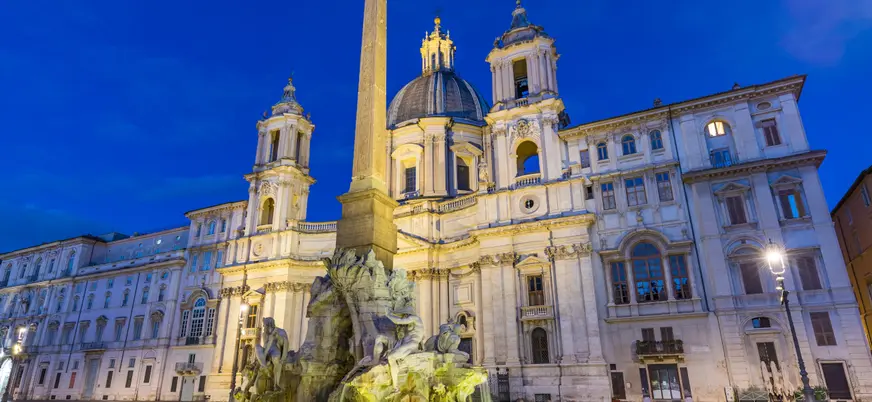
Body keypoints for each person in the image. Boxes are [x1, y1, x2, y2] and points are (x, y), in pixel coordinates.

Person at [385, 306, 424, 388]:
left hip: (411, 344)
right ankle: (396, 385)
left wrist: (388, 314)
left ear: (407, 313)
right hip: (410, 345)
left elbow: (399, 321)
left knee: (391, 357)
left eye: (403, 315)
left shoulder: (415, 318)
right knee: (390, 356)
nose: (403, 316)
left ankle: (395, 386)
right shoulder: (412, 323)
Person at [256, 317, 290, 391]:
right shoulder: (265, 333)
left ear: (269, 324)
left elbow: (284, 343)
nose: (263, 326)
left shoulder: (280, 331)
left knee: (277, 361)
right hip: (267, 350)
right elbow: (266, 345)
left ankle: (276, 384)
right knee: (257, 347)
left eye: (264, 325)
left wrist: (277, 337)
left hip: (275, 350)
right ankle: (265, 367)